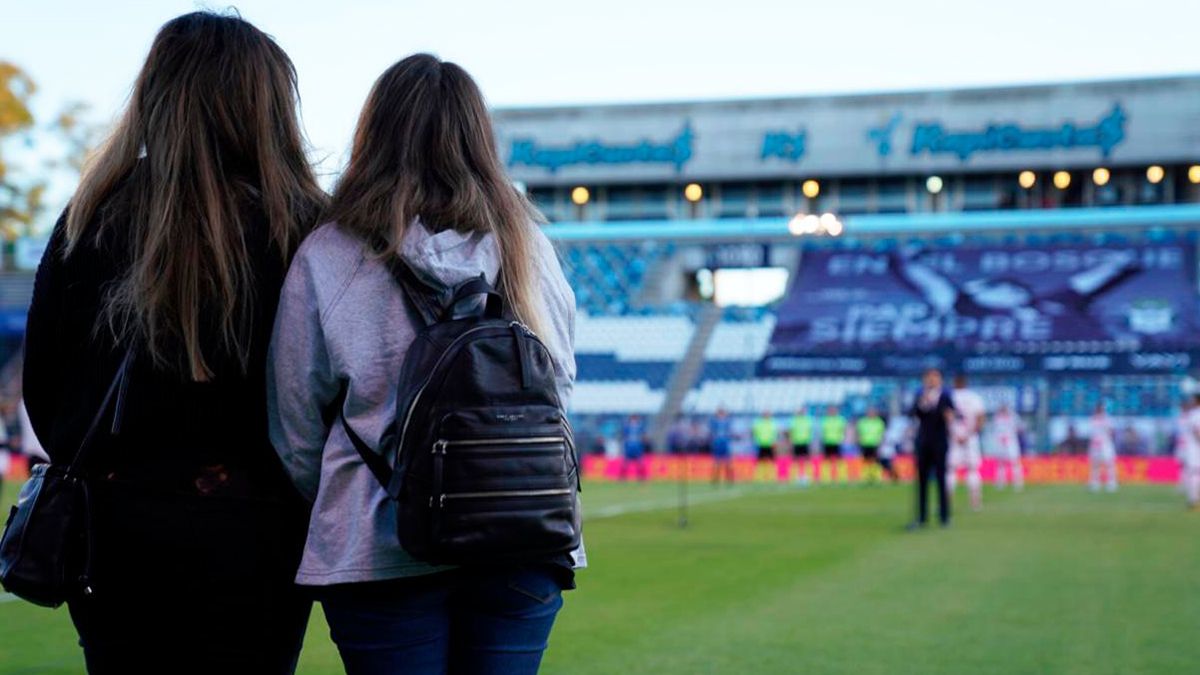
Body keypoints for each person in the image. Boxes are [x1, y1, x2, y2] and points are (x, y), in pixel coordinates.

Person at [22, 12, 325, 673]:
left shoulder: (93, 214)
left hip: (115, 528)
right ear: (267, 106)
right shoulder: (301, 226)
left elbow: (44, 387)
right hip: (259, 530)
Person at [266, 54, 580, 675]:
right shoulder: (527, 245)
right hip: (523, 535)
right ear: (478, 139)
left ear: (373, 135)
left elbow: (295, 424)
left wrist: (355, 494)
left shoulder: (330, 253)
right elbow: (559, 384)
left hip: (378, 544)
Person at [908, 368, 956, 529]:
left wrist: (948, 416)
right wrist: (923, 402)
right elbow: (912, 413)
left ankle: (944, 517)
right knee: (922, 481)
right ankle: (922, 517)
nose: (931, 380)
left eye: (935, 377)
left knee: (941, 479)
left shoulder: (945, 396)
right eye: (928, 377)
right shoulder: (920, 396)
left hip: (940, 442)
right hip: (923, 442)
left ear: (940, 380)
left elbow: (951, 414)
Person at [949, 375, 986, 510]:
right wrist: (970, 434)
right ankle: (975, 503)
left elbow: (944, 417)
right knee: (973, 470)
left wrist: (954, 434)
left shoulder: (949, 396)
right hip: (971, 438)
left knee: (950, 471)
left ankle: (947, 503)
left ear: (954, 383)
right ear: (966, 383)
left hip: (952, 438)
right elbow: (980, 418)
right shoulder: (974, 397)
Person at [992, 402, 1024, 490]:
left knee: (1014, 462)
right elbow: (996, 430)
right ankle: (1000, 482)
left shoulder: (1013, 417)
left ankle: (1018, 482)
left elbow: (1020, 428)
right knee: (1000, 463)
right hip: (1000, 442)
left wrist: (1012, 434)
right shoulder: (997, 417)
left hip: (1011, 441)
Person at [1088, 402, 1119, 492]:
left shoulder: (1108, 419)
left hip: (1106, 443)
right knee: (1095, 464)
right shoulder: (1093, 419)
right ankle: (1095, 483)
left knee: (1109, 463)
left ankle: (1111, 483)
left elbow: (1112, 432)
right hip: (1095, 444)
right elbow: (1092, 433)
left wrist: (1106, 437)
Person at [1178, 395, 1200, 510]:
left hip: (1193, 448)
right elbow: (1196, 431)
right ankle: (1193, 499)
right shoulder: (1195, 414)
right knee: (1195, 472)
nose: (1191, 402)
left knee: (1194, 472)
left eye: (1192, 400)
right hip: (1194, 448)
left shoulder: (1193, 414)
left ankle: (1193, 499)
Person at [856, 406, 886, 485]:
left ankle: (876, 476)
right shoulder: (862, 422)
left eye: (872, 412)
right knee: (866, 461)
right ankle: (866, 477)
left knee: (876, 461)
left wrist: (881, 444)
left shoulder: (879, 422)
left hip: (875, 444)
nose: (871, 413)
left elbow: (882, 434)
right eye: (869, 412)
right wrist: (859, 442)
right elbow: (859, 433)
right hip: (865, 444)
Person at [819, 404, 848, 484]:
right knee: (827, 460)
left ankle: (837, 476)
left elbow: (843, 430)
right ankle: (827, 476)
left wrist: (842, 439)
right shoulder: (825, 419)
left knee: (837, 460)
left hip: (837, 442)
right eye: (830, 410)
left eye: (833, 410)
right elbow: (822, 431)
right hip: (827, 442)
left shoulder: (840, 419)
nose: (832, 412)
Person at [789, 407, 815, 486]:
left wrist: (810, 441)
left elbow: (810, 431)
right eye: (800, 411)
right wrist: (791, 442)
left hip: (805, 442)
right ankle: (798, 476)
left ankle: (806, 475)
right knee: (796, 460)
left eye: (802, 411)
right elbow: (791, 432)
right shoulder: (794, 420)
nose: (801, 413)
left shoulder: (808, 420)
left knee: (806, 460)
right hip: (796, 442)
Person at [620, 414, 649, 482]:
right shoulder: (627, 427)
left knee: (640, 462)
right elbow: (624, 436)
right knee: (625, 463)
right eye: (632, 419)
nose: (634, 421)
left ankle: (641, 477)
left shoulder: (640, 427)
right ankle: (622, 477)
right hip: (629, 447)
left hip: (638, 447)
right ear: (630, 420)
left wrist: (643, 441)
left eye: (635, 419)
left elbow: (644, 436)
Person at [710, 408, 735, 485]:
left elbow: (730, 432)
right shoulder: (714, 422)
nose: (721, 415)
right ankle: (715, 478)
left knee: (728, 462)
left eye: (722, 414)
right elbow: (712, 432)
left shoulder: (727, 422)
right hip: (718, 443)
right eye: (720, 414)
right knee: (717, 462)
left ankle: (729, 478)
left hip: (725, 443)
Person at [752, 410, 778, 476]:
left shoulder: (772, 423)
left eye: (767, 414)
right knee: (759, 461)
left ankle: (773, 474)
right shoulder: (759, 423)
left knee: (772, 460)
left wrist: (774, 442)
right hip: (761, 444)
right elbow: (755, 433)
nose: (766, 415)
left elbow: (774, 434)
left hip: (770, 444)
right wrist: (757, 441)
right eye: (765, 414)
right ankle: (758, 475)